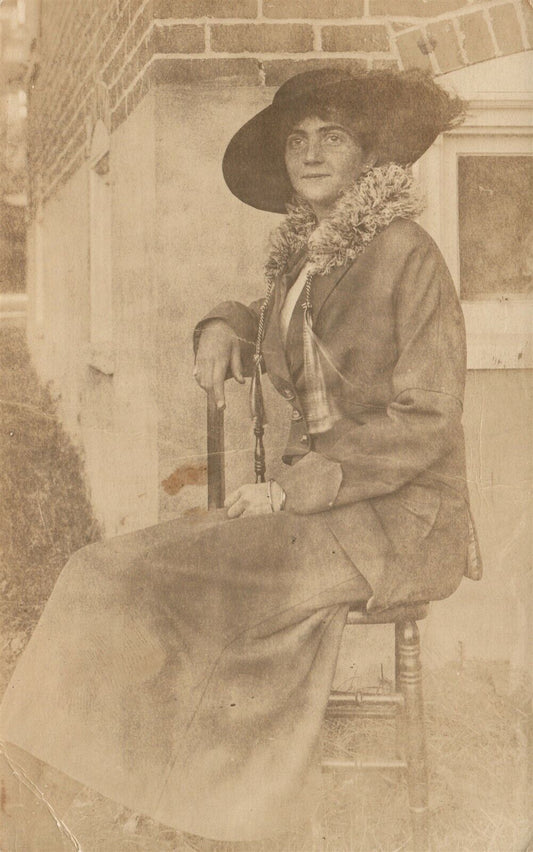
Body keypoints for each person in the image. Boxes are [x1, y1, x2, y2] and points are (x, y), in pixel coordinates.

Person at [0, 67, 481, 847]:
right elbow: (284, 323)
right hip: (323, 511)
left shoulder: (404, 251)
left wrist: (294, 491)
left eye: (333, 137)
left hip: (396, 518)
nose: (311, 152)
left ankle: (196, 808)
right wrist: (223, 323)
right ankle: (69, 785)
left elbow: (425, 417)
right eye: (297, 139)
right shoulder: (310, 259)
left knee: (169, 580)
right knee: (101, 570)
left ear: (367, 158)